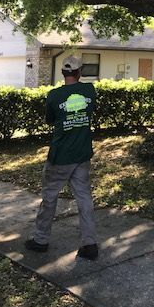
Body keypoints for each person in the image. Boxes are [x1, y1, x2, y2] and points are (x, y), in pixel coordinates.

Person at [25, 55, 98, 259]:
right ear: (79, 72)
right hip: (82, 154)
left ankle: (40, 240)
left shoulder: (54, 95)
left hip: (60, 157)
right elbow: (90, 111)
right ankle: (90, 244)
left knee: (49, 197)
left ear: (63, 73)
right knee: (84, 197)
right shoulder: (89, 90)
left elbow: (50, 119)